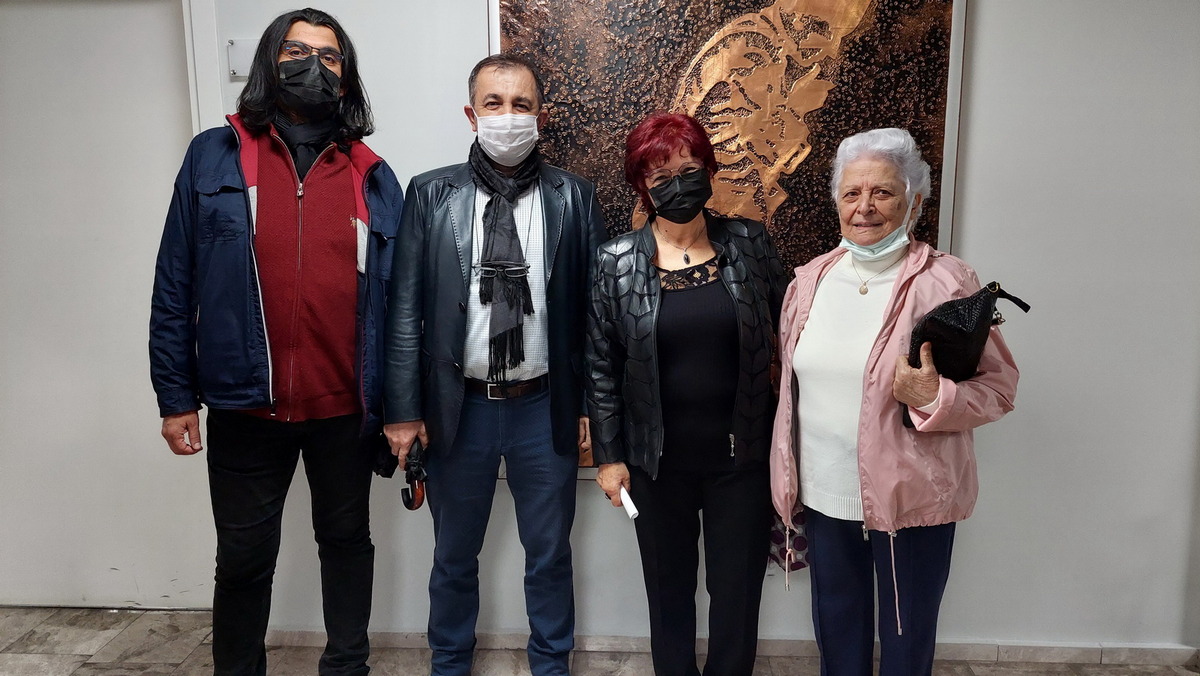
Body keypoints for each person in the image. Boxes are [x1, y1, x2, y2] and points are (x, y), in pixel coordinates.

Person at [149, 9, 401, 675]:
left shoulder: (373, 175)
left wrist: (403, 408)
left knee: (347, 544)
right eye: (295, 51)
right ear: (269, 62)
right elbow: (175, 282)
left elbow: (401, 310)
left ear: (346, 78)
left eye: (329, 55)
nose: (312, 65)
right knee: (242, 561)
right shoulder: (214, 154)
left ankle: (347, 667)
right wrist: (175, 396)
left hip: (344, 410)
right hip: (245, 406)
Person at [383, 54, 606, 676]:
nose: (508, 116)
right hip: (458, 408)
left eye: (521, 105)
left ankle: (551, 666)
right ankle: (450, 664)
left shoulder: (574, 196)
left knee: (550, 556)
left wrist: (589, 408)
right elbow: (404, 310)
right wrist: (403, 410)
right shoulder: (432, 193)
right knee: (453, 556)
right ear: (471, 113)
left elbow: (594, 313)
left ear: (541, 116)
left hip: (544, 407)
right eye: (494, 103)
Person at [769, 128, 1019, 676]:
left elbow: (999, 388)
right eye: (851, 193)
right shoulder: (809, 281)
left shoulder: (949, 281)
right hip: (825, 495)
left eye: (882, 192)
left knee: (907, 641)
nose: (864, 207)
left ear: (914, 200)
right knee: (837, 632)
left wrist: (936, 396)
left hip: (912, 498)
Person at [587, 111, 787, 676]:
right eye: (661, 175)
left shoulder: (749, 242)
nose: (678, 184)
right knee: (668, 592)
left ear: (709, 170)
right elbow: (600, 365)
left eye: (689, 169)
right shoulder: (614, 262)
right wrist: (609, 456)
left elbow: (794, 329)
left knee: (737, 596)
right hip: (655, 463)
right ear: (642, 185)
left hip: (741, 456)